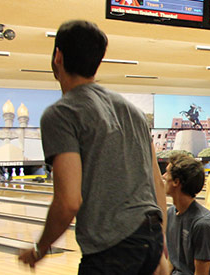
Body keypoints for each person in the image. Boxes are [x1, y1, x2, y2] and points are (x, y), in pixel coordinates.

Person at [18, 20, 168, 274]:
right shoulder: (133, 111)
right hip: (149, 239)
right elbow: (158, 184)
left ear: (58, 56)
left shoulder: (61, 114)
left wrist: (40, 248)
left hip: (111, 251)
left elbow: (68, 202)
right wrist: (158, 246)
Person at [164, 154, 210, 275]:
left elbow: (201, 272)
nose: (163, 177)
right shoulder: (171, 213)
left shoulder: (202, 223)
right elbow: (172, 261)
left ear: (176, 182)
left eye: (167, 173)